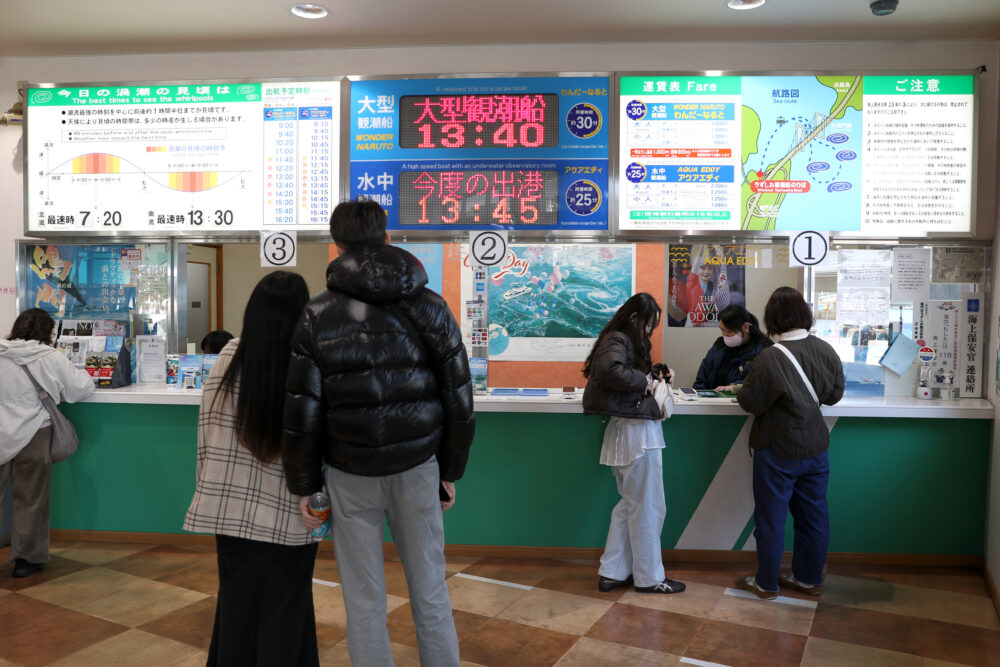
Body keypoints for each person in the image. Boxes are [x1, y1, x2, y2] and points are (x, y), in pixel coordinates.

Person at [282, 200, 475, 667]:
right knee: (429, 587)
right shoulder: (430, 306)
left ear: (337, 247)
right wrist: (449, 470)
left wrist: (306, 485)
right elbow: (458, 396)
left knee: (364, 598)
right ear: (387, 238)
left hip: (349, 473)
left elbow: (303, 409)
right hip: (417, 468)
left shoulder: (316, 314)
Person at [183, 272, 319, 666]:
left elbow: (208, 430)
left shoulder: (228, 357)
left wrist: (207, 487)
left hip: (229, 510)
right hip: (292, 512)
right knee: (288, 606)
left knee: (236, 604)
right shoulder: (309, 361)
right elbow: (314, 440)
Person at [735, 287, 844, 600]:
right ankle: (809, 579)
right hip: (816, 447)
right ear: (805, 315)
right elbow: (834, 396)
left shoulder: (769, 358)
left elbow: (751, 402)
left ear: (772, 318)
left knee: (771, 519)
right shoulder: (826, 350)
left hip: (778, 449)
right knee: (814, 516)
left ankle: (767, 583)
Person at [582, 293, 686, 595]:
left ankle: (613, 571)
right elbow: (610, 371)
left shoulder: (618, 339)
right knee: (648, 507)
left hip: (630, 433)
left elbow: (620, 372)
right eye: (649, 324)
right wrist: (647, 382)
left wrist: (653, 374)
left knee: (632, 506)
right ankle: (649, 577)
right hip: (637, 435)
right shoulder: (618, 339)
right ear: (635, 318)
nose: (650, 330)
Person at [0, 308, 94, 578]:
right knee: (31, 498)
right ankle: (26, 560)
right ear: (48, 331)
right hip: (34, 432)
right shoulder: (47, 356)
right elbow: (81, 388)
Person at [693, 305, 771, 391]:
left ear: (745, 327)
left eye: (729, 331)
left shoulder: (763, 350)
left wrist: (734, 388)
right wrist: (698, 394)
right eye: (722, 330)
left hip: (740, 399)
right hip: (711, 398)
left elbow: (761, 383)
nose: (724, 335)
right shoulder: (719, 345)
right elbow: (702, 377)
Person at [675, 245, 731, 327]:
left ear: (713, 270)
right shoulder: (691, 283)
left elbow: (722, 268)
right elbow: (695, 268)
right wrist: (700, 251)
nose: (706, 271)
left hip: (712, 329)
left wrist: (717, 246)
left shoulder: (716, 288)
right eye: (702, 268)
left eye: (710, 268)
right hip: (691, 330)